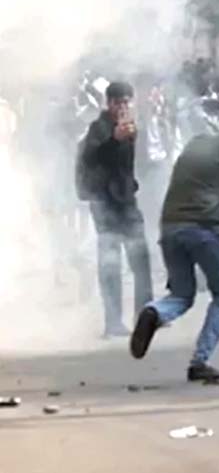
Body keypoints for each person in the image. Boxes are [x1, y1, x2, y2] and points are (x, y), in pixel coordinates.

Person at [129, 112, 219, 383]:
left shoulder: (197, 141)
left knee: (181, 294)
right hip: (202, 229)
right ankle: (200, 361)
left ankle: (154, 311)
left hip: (169, 227)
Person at [80, 81, 153, 337]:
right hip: (104, 204)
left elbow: (130, 165)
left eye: (126, 101)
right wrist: (114, 140)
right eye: (118, 102)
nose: (122, 106)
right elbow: (91, 158)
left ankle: (145, 314)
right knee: (110, 265)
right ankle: (112, 322)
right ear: (109, 103)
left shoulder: (130, 127)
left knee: (140, 259)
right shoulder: (98, 128)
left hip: (127, 202)